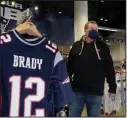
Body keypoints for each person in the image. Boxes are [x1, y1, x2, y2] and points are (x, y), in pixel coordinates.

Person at [67, 21, 117, 117]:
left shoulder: (103, 47)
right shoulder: (76, 46)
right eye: (92, 29)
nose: (95, 31)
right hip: (77, 91)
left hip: (95, 92)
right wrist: (67, 84)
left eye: (96, 29)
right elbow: (69, 67)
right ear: (85, 31)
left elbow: (109, 68)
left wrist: (112, 87)